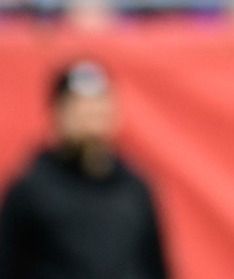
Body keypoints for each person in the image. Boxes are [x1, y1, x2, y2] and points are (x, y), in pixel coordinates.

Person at [0, 60, 169, 279]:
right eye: (79, 106)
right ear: (58, 112)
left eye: (98, 105)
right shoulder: (30, 191)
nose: (90, 115)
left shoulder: (134, 189)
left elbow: (155, 266)